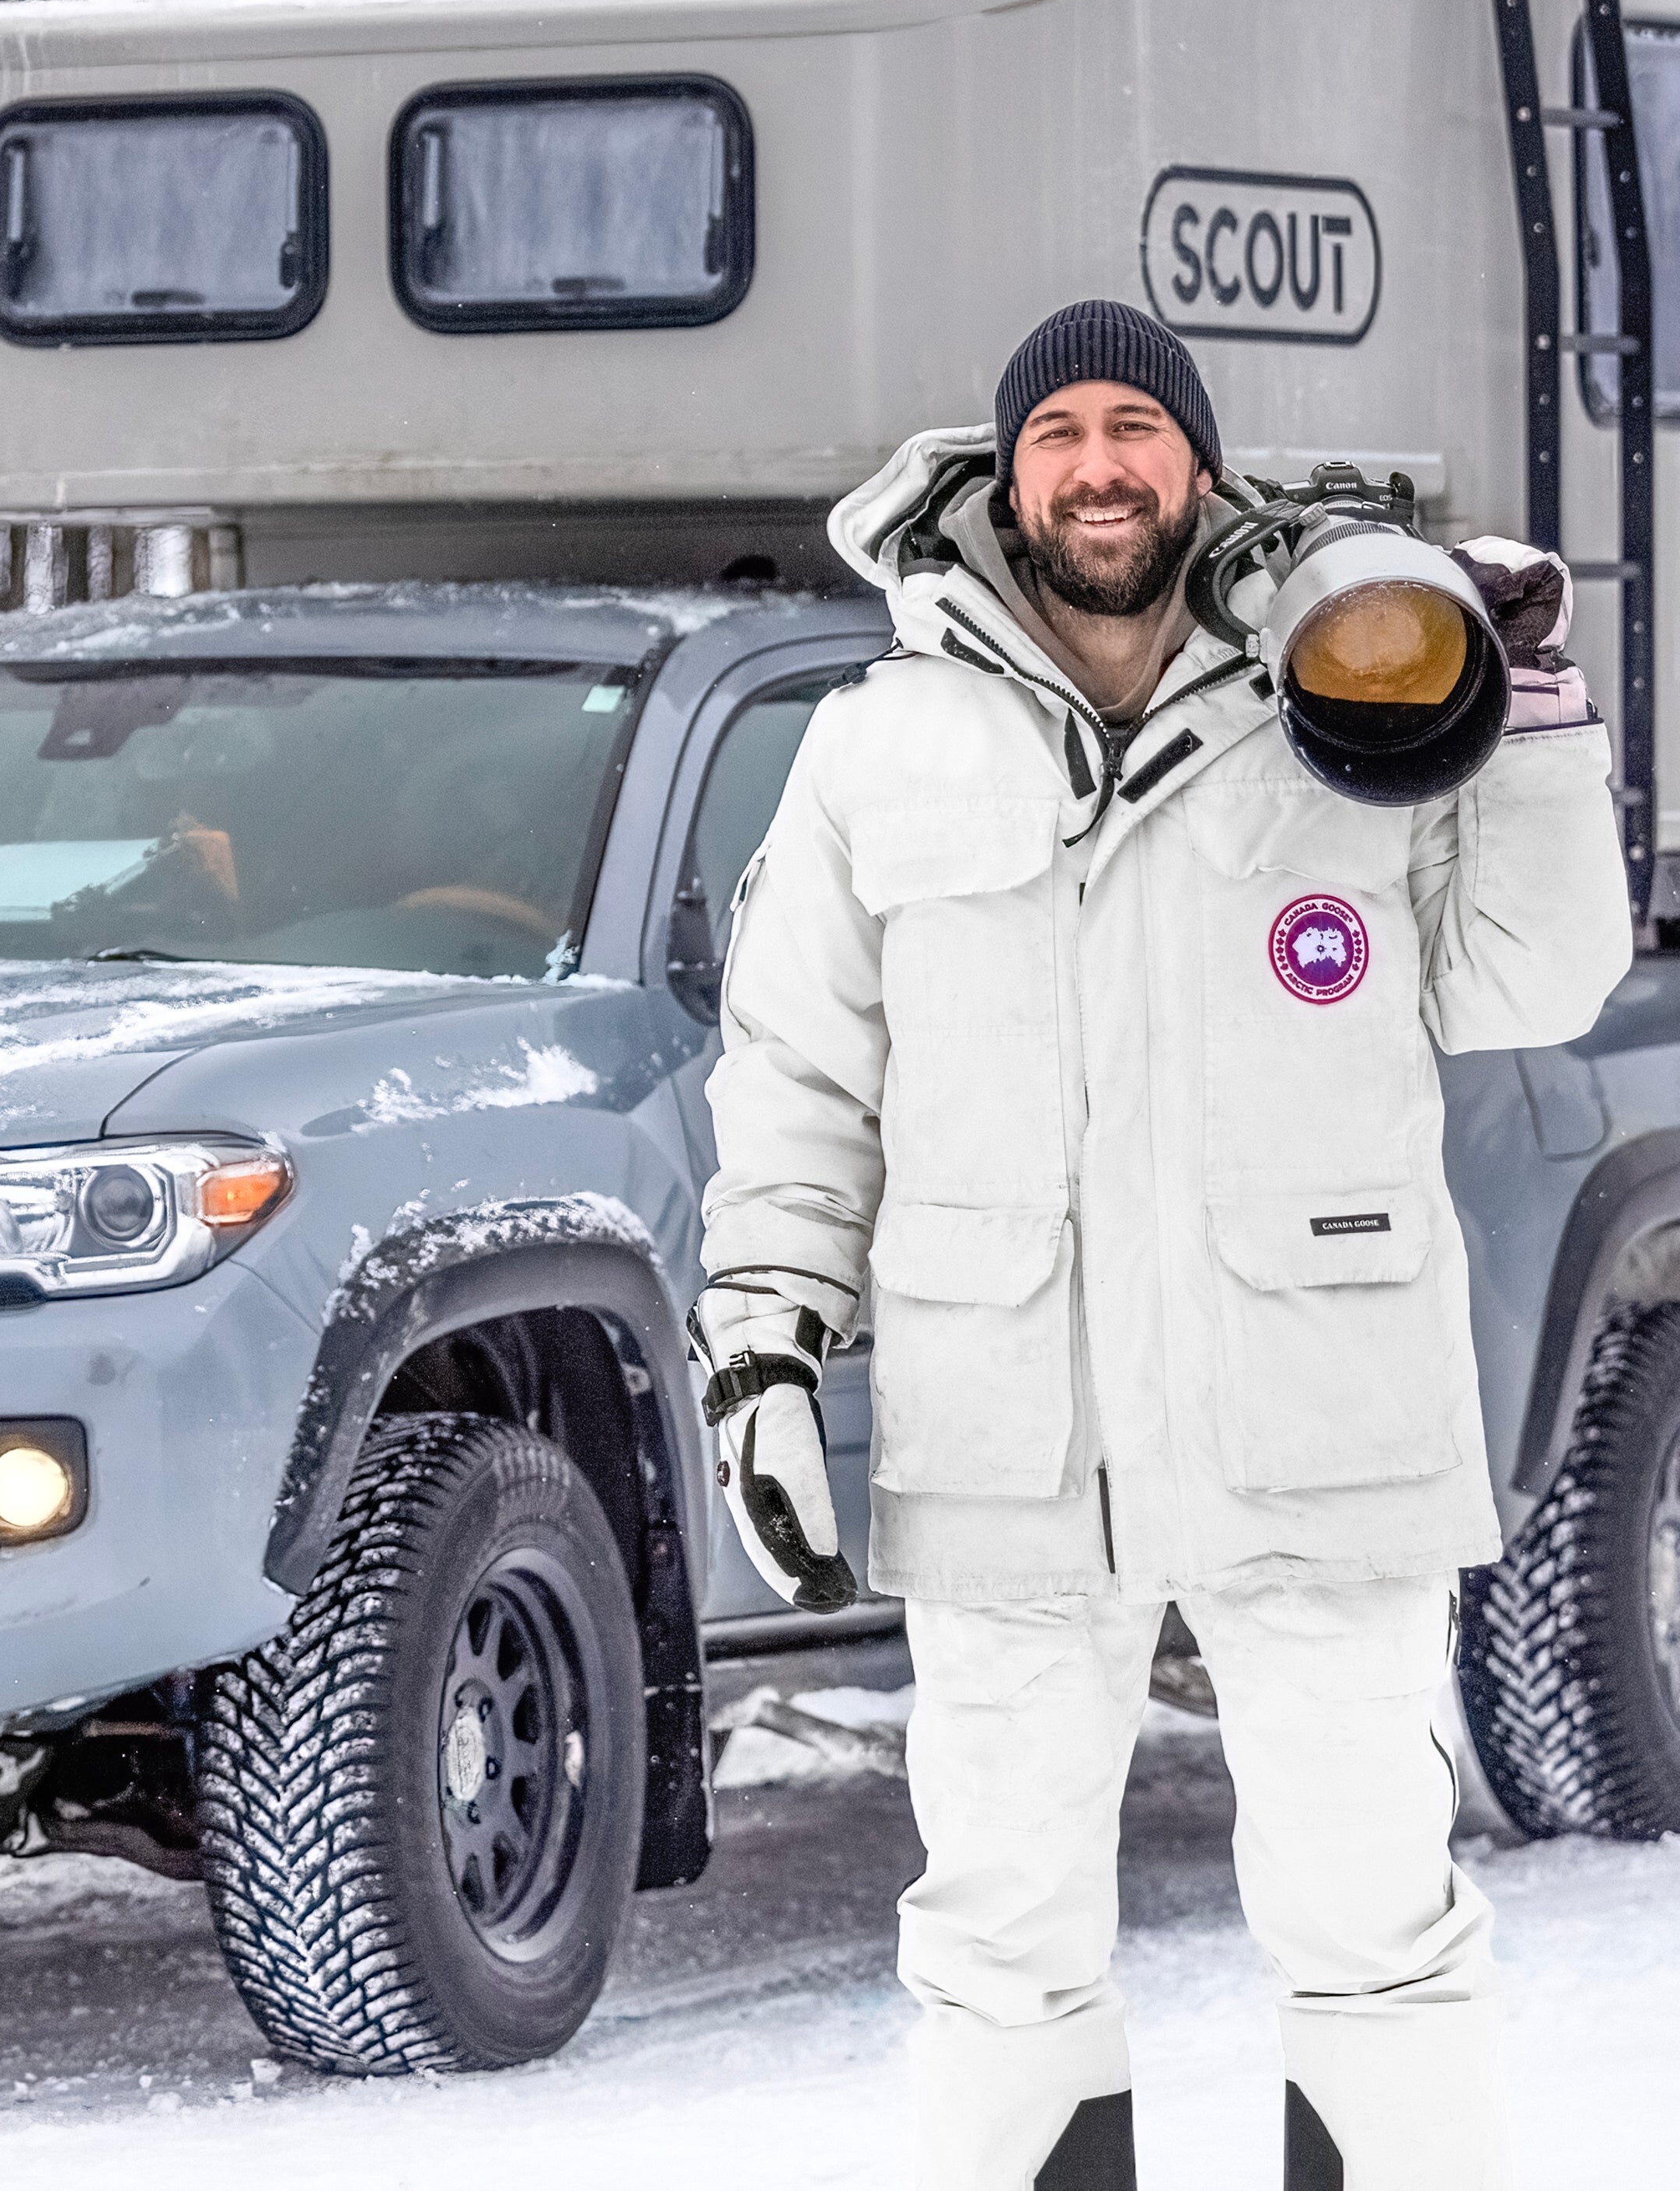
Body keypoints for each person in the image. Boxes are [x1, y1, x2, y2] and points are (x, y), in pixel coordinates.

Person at [695, 301, 1631, 2189]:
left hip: (1316, 1405)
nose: (1100, 465)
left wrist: (1526, 723)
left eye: (1138, 428)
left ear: (1196, 466)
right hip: (1006, 1421)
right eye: (1062, 434)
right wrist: (763, 1343)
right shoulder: (878, 745)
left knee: (1375, 1918)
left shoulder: (1350, 689)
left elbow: (1536, 979)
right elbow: (799, 1073)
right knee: (999, 1939)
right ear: (1002, 469)